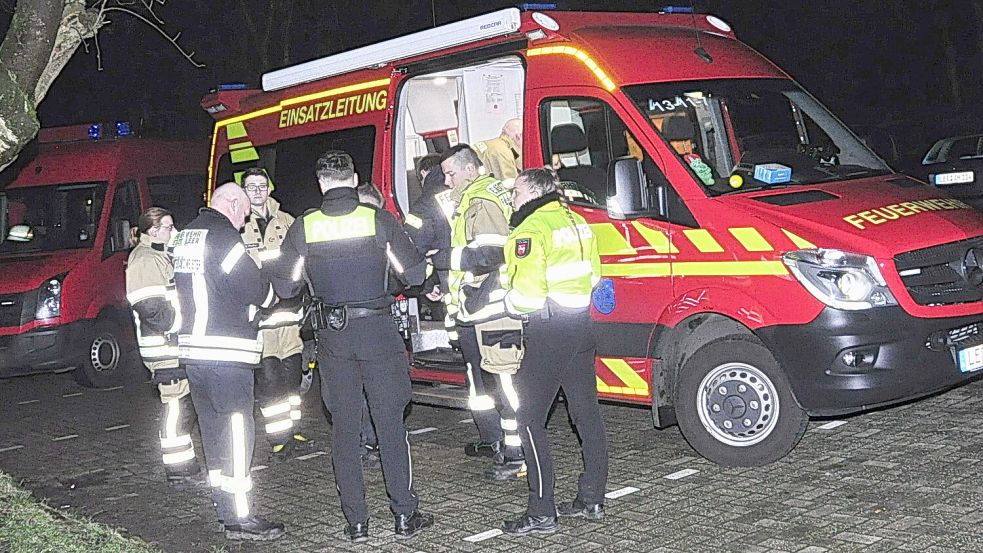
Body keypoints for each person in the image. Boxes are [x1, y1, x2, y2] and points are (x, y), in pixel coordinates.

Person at [270, 150, 433, 543]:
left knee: (344, 429)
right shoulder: (377, 219)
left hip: (333, 338)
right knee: (390, 424)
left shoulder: (304, 226)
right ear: (353, 177)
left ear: (321, 182)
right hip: (377, 332)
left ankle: (357, 522)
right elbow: (413, 274)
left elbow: (286, 287)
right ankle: (404, 516)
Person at [171, 183, 284, 541]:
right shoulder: (225, 239)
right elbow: (258, 291)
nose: (245, 219)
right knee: (237, 431)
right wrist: (270, 288)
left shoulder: (187, 236)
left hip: (195, 353)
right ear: (231, 203)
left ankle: (223, 506)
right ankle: (240, 517)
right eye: (244, 211)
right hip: (227, 353)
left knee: (213, 432)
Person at [500, 167, 608, 535]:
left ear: (531, 194)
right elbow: (594, 275)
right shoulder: (576, 220)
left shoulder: (530, 229)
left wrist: (508, 301)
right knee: (586, 414)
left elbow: (526, 296)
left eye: (515, 192)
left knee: (529, 418)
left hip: (548, 329)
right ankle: (591, 497)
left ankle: (541, 510)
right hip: (580, 323)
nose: (511, 198)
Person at [440, 144, 525, 480]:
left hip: (493, 309)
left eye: (451, 173)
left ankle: (517, 455)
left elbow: (492, 254)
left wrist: (446, 261)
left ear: (470, 171)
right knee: (501, 384)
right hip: (487, 309)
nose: (447, 181)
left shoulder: (480, 202)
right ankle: (511, 449)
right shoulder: (484, 195)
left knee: (507, 387)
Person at [239, 168, 315, 463]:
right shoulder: (239, 225)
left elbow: (302, 261)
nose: (257, 191)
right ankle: (278, 439)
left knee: (292, 375)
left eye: (261, 186)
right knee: (269, 379)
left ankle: (293, 431)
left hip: (290, 311)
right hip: (260, 315)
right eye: (251, 187)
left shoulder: (288, 222)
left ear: (269, 188)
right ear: (244, 191)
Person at [125, 207, 201, 485]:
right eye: (169, 227)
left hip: (173, 345)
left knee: (182, 405)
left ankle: (183, 463)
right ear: (153, 230)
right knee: (175, 406)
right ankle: (177, 467)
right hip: (164, 347)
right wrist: (182, 326)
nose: (174, 232)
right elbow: (151, 309)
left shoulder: (160, 255)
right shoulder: (144, 259)